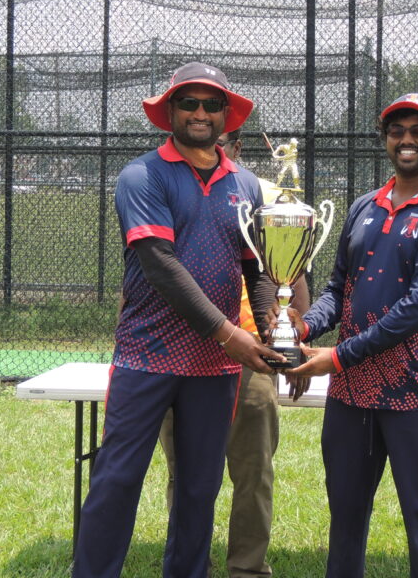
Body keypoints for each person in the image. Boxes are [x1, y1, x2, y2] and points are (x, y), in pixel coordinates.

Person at [71, 62, 281, 578]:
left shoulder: (247, 185)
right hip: (149, 357)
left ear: (226, 116)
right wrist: (229, 333)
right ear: (170, 111)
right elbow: (161, 266)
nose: (201, 113)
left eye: (212, 105)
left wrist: (273, 324)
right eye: (189, 103)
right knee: (117, 479)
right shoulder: (142, 175)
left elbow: (256, 267)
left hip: (213, 369)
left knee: (198, 489)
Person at [287, 92, 418, 578]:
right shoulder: (364, 206)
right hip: (353, 397)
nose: (407, 139)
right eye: (397, 130)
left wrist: (336, 357)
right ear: (385, 139)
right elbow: (337, 289)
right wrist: (303, 325)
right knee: (346, 522)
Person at [158, 128, 310, 578]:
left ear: (238, 147)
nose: (213, 146)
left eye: (225, 140)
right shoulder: (166, 187)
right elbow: (152, 269)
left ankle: (247, 569)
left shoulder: (263, 195)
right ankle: (190, 566)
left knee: (254, 474)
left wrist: (290, 340)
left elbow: (291, 280)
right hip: (180, 354)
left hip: (248, 358)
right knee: (184, 474)